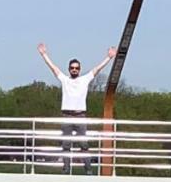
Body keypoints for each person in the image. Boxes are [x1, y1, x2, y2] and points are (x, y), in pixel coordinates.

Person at [37, 43, 117, 174]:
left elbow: (97, 69)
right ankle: (66, 169)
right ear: (69, 69)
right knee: (66, 145)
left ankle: (88, 169)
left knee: (84, 144)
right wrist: (44, 54)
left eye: (77, 68)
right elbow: (53, 68)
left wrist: (108, 58)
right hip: (67, 116)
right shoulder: (65, 80)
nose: (74, 70)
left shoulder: (84, 79)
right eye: (72, 68)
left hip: (80, 116)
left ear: (79, 69)